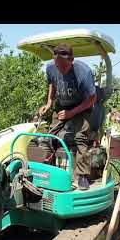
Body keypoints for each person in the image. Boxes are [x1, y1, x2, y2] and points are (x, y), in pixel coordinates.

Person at [38, 43, 99, 190]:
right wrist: (49, 102)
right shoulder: (51, 67)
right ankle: (49, 170)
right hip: (62, 106)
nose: (61, 70)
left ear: (71, 60)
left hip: (82, 107)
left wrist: (72, 113)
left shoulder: (83, 72)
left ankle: (82, 175)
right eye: (58, 66)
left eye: (64, 67)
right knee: (49, 136)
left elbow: (92, 99)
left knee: (80, 137)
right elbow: (52, 83)